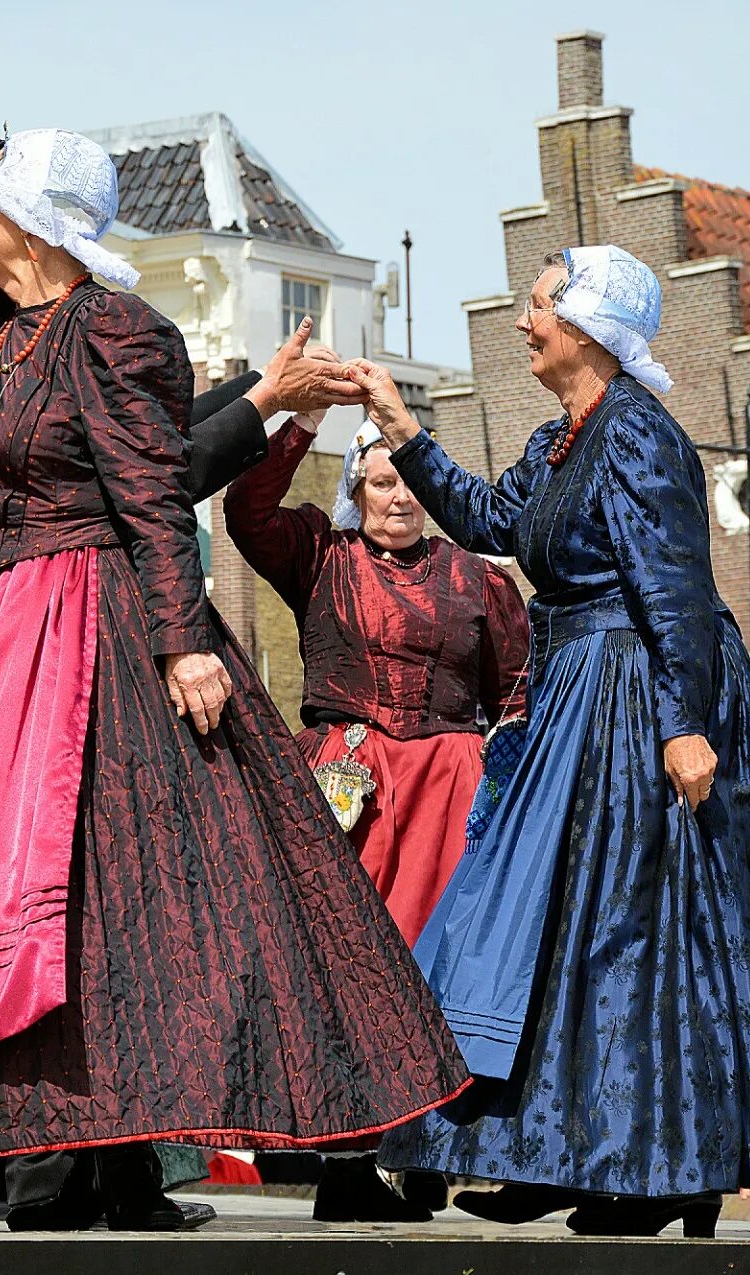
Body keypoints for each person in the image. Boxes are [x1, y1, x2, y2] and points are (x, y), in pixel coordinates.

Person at [0, 104, 471, 1234]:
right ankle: (66, 1165)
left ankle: (117, 1170)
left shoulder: (116, 331)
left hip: (89, 630)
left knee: (116, 898)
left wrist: (183, 642)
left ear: (25, 217)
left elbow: (151, 496)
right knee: (13, 900)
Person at [361, 246, 750, 1238]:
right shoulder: (564, 438)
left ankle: (658, 1174)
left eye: (538, 308)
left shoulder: (640, 436)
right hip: (577, 691)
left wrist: (685, 724)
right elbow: (495, 519)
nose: (524, 324)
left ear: (585, 325)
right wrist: (404, 432)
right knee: (554, 934)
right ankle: (554, 1152)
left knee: (633, 943)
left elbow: (676, 591)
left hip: (633, 694)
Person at [226, 408, 530, 1222]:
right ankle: (348, 1161)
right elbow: (245, 511)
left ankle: (431, 1151)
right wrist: (303, 420)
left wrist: (508, 778)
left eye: (411, 481)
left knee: (445, 975)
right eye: (383, 481)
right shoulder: (322, 556)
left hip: (450, 789)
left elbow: (518, 689)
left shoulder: (475, 577)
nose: (400, 497)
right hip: (350, 789)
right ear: (357, 485)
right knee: (349, 968)